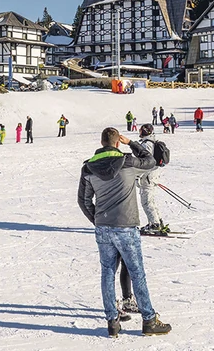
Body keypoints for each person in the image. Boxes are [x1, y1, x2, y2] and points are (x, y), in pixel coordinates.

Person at [77, 127, 171, 337]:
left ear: (102, 143)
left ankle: (112, 321)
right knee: (137, 273)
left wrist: (98, 220)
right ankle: (149, 320)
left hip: (103, 228)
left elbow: (83, 200)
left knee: (107, 273)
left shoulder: (89, 167)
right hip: (126, 227)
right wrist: (131, 143)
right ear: (117, 142)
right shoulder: (127, 161)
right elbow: (151, 161)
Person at [135, 124, 168, 235]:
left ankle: (155, 224)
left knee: (146, 202)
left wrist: (138, 176)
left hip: (147, 176)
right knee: (151, 201)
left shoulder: (147, 145)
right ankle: (158, 221)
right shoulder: (151, 142)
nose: (139, 132)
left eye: (141, 130)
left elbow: (146, 163)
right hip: (152, 175)